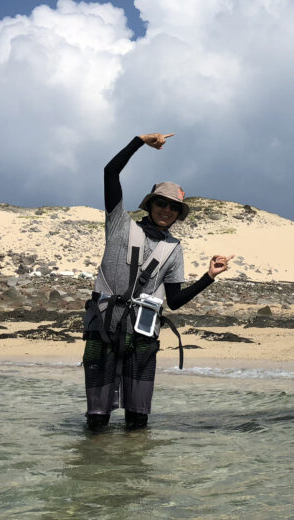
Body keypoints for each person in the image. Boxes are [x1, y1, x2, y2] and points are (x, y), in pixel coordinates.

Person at [82, 131, 233, 431]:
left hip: (142, 336)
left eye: (173, 207)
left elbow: (174, 301)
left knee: (138, 422)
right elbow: (110, 172)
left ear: (178, 214)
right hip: (104, 326)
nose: (166, 210)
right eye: (161, 203)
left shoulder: (174, 250)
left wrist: (208, 278)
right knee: (96, 418)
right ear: (150, 204)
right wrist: (139, 142)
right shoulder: (118, 225)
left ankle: (134, 475)